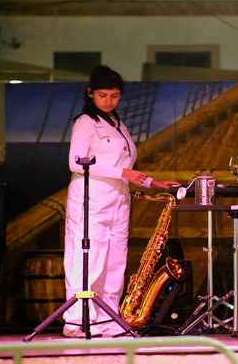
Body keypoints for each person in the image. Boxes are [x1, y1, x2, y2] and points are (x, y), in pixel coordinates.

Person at [63, 65, 179, 338]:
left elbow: (124, 165)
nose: (109, 101)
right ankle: (78, 321)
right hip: (91, 199)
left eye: (114, 95)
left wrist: (152, 182)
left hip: (118, 200)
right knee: (89, 260)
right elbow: (75, 162)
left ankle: (109, 320)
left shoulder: (116, 123)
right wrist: (122, 173)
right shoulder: (85, 122)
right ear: (91, 94)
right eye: (103, 95)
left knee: (115, 262)